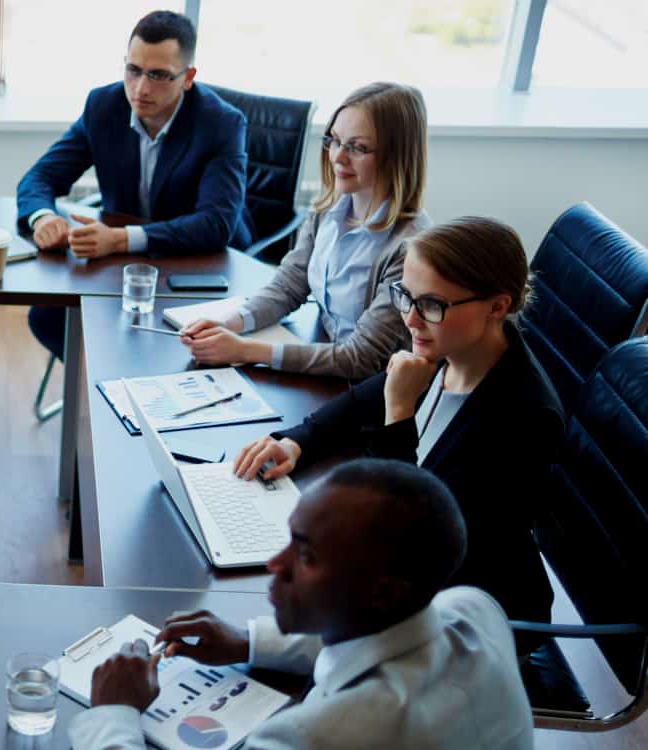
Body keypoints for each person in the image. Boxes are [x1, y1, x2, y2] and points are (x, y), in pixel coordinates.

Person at [233, 217, 562, 625]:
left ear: (498, 306)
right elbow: (359, 402)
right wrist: (296, 441)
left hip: (468, 617)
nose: (411, 319)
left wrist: (400, 413)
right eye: (406, 296)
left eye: (431, 305)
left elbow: (412, 539)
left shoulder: (523, 419)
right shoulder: (454, 346)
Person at [73, 459, 534, 750]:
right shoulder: (474, 608)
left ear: (384, 592)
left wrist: (115, 712)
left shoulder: (316, 737)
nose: (277, 563)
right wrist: (249, 642)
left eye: (307, 555)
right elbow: (384, 638)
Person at [17, 9, 252, 361]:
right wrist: (43, 218)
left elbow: (216, 224)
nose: (140, 89)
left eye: (158, 75)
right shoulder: (104, 106)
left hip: (199, 265)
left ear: (188, 77)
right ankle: (102, 392)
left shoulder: (221, 124)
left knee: (173, 349)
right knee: (47, 318)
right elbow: (39, 178)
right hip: (121, 266)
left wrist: (120, 238)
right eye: (133, 70)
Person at [180, 82, 432, 378]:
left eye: (358, 147)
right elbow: (289, 285)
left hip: (371, 387)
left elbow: (362, 357)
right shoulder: (328, 208)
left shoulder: (409, 247)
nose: (338, 157)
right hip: (321, 359)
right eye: (335, 141)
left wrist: (243, 350)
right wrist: (230, 322)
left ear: (397, 155)